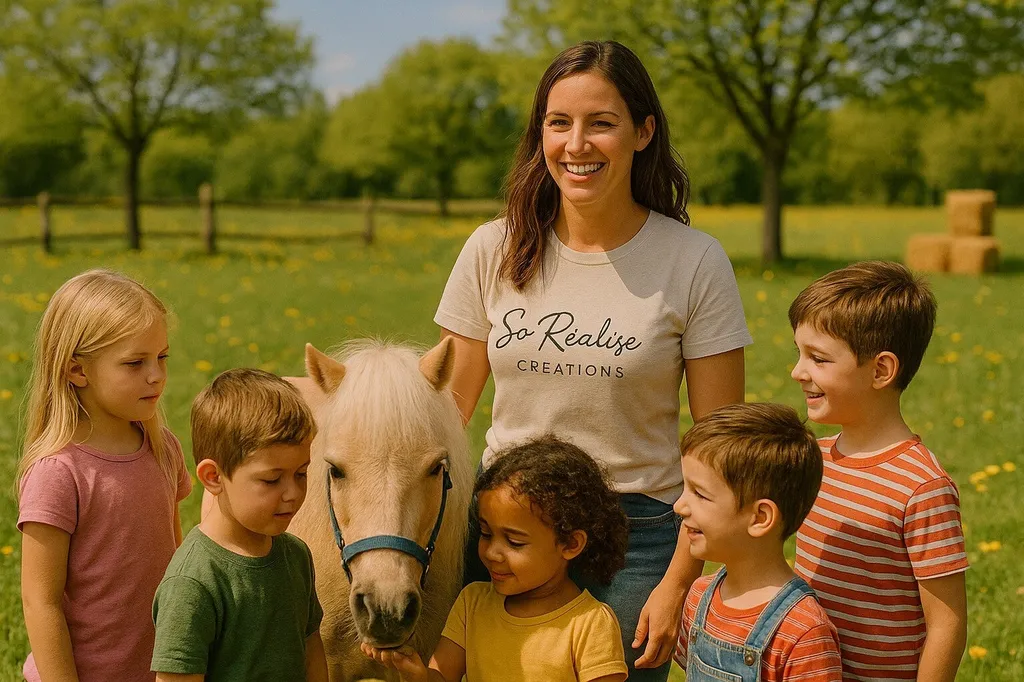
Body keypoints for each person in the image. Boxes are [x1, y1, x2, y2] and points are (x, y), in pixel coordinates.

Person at [434, 39, 752, 680]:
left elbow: (721, 447)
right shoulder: (492, 248)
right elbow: (444, 410)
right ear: (540, 134)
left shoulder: (693, 261)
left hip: (636, 540)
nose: (576, 144)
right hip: (502, 526)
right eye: (559, 123)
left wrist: (678, 585)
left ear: (643, 131)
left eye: (601, 123)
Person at [790, 261, 968, 682]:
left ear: (881, 370)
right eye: (799, 354)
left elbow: (947, 624)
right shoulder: (811, 459)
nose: (797, 371)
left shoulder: (922, 487)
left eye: (817, 358)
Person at [17, 269, 192, 682]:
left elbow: (177, 570)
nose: (156, 375)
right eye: (135, 363)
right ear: (77, 371)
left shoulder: (163, 449)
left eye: (162, 357)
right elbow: (39, 602)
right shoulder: (58, 473)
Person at [361, 436, 629, 681]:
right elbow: (443, 677)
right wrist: (418, 674)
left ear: (570, 543)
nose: (491, 552)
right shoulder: (472, 603)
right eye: (486, 533)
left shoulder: (591, 624)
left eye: (514, 542)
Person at [150, 368, 328, 682]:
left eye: (301, 473)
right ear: (213, 477)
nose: (294, 493)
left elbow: (311, 648)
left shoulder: (296, 555)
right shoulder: (193, 583)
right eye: (272, 480)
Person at [672, 403, 843, 681]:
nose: (680, 506)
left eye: (700, 495)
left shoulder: (802, 632)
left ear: (760, 517)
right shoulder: (699, 597)